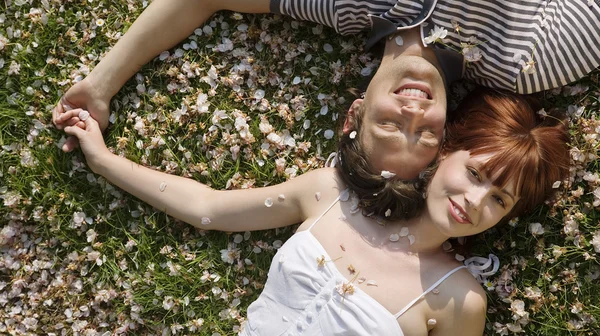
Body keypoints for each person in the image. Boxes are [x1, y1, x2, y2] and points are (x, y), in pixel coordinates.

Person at [52, 0, 600, 179]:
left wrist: (101, 85)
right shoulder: (524, 60)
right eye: (425, 135)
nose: (411, 114)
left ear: (356, 110)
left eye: (388, 125)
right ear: (446, 130)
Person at [57, 87, 570, 335]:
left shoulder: (458, 300)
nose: (475, 203)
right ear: (443, 150)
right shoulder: (330, 195)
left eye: (499, 200)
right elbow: (207, 208)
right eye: (476, 174)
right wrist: (103, 161)